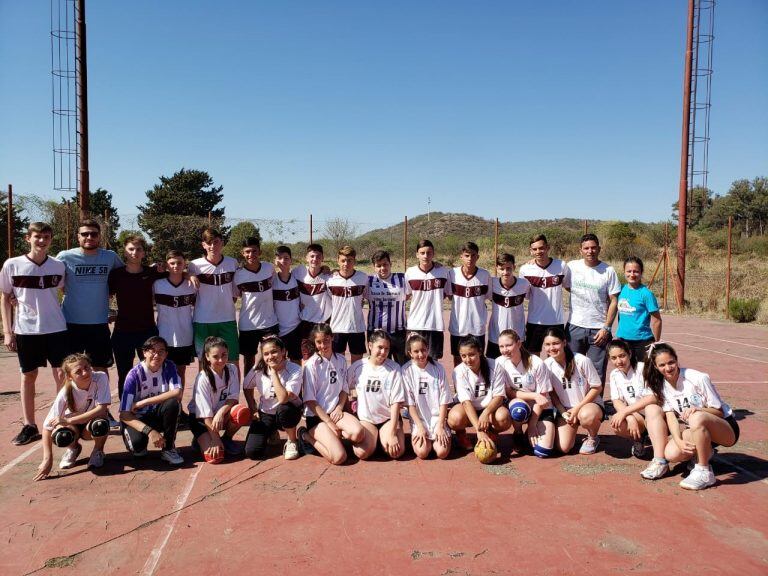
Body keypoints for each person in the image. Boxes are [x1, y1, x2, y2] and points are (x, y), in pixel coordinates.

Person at [1, 222, 67, 445]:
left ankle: (60, 419)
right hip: (26, 330)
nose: (42, 240)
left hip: (56, 328)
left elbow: (66, 291)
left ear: (50, 239)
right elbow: (5, 299)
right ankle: (29, 425)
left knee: (61, 376)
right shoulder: (12, 264)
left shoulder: (59, 266)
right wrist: (7, 332)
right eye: (37, 236)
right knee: (28, 376)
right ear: (28, 238)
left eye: (46, 237)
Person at [644, 342, 739, 490]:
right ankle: (704, 452)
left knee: (696, 417)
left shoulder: (698, 378)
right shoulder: (662, 385)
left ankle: (704, 471)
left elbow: (719, 411)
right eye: (662, 365)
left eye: (671, 362)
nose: (668, 368)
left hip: (725, 428)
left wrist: (698, 409)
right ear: (656, 367)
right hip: (697, 429)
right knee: (671, 454)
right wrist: (678, 440)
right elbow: (670, 417)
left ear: (677, 360)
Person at [57, 220, 123, 372]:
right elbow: (48, 277)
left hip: (99, 323)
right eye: (84, 234)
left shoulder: (110, 256)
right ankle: (71, 397)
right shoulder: (65, 256)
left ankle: (102, 397)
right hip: (71, 322)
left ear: (99, 236)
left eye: (93, 234)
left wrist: (153, 272)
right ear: (78, 236)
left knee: (100, 368)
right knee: (70, 369)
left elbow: (127, 276)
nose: (89, 237)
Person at [33, 353, 111, 480]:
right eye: (78, 371)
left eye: (86, 367)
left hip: (89, 426)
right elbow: (47, 427)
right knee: (61, 436)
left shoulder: (100, 378)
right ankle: (73, 448)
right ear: (69, 377)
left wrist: (69, 419)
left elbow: (101, 408)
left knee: (101, 424)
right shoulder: (65, 393)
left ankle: (98, 451)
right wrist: (47, 459)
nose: (85, 373)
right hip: (72, 428)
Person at [297, 323, 366, 465]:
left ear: (332, 338)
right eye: (319, 342)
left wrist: (339, 408)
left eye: (326, 340)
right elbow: (310, 401)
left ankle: (335, 437)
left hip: (335, 412)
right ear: (315, 343)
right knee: (339, 457)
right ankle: (305, 436)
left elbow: (344, 389)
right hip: (317, 417)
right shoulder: (311, 365)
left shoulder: (340, 360)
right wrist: (328, 422)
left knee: (359, 434)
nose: (323, 345)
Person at [108, 235, 165, 398]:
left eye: (138, 249)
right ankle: (125, 413)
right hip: (122, 332)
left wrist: (189, 275)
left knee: (151, 371)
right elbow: (103, 294)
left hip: (147, 331)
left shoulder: (152, 272)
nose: (135, 252)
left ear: (144, 253)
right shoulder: (116, 275)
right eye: (131, 249)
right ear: (125, 252)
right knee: (125, 374)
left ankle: (151, 410)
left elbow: (176, 272)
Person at [606, 339, 668, 480]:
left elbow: (653, 397)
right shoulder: (615, 374)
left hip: (658, 415)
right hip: (637, 415)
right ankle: (640, 438)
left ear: (630, 353)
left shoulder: (642, 368)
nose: (619, 361)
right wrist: (629, 416)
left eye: (622, 356)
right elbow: (616, 401)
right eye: (613, 358)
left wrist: (626, 411)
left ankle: (660, 460)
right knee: (618, 424)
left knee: (652, 409)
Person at [119, 336, 184, 466]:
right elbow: (124, 414)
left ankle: (169, 448)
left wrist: (143, 402)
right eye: (152, 351)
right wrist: (150, 431)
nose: (156, 355)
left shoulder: (169, 366)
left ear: (166, 354)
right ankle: (141, 443)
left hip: (157, 414)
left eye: (161, 351)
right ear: (144, 352)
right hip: (138, 418)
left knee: (173, 403)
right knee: (137, 448)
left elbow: (177, 392)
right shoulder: (134, 375)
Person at [565, 234, 621, 383]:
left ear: (599, 249)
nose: (590, 251)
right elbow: (563, 283)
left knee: (596, 372)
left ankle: (596, 404)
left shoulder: (608, 270)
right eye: (586, 248)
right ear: (580, 250)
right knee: (572, 368)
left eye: (593, 247)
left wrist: (607, 328)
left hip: (599, 330)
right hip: (574, 327)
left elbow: (614, 300)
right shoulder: (571, 266)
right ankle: (574, 403)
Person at [542, 327, 604, 455]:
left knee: (586, 416)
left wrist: (577, 409)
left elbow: (597, 387)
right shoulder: (546, 365)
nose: (551, 348)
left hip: (588, 406)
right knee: (563, 448)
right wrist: (563, 412)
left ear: (564, 343)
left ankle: (593, 437)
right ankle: (570, 430)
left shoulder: (582, 360)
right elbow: (552, 392)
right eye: (547, 344)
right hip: (566, 410)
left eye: (555, 343)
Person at [496, 329, 557, 457]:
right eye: (501, 346)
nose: (504, 349)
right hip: (520, 404)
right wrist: (534, 395)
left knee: (543, 452)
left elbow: (543, 397)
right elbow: (510, 393)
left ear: (519, 344)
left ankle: (540, 427)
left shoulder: (536, 362)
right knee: (519, 410)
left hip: (541, 408)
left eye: (508, 345)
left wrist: (532, 425)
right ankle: (518, 432)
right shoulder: (500, 362)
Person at [448, 336, 511, 458]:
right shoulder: (458, 371)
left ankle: (492, 432)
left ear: (480, 352)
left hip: (490, 408)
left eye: (471, 355)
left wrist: (486, 413)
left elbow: (499, 396)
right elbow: (466, 402)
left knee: (504, 418)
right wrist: (479, 430)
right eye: (463, 356)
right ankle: (461, 433)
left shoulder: (495, 365)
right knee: (454, 419)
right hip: (468, 409)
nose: (467, 360)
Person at [347, 330, 406, 460]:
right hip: (367, 420)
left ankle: (384, 437)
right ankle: (375, 439)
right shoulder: (358, 367)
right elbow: (344, 389)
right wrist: (349, 412)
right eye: (380, 347)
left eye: (386, 349)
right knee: (361, 453)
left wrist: (392, 433)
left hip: (387, 419)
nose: (383, 352)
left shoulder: (394, 368)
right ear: (370, 345)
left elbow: (396, 403)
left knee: (396, 452)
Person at [242, 335, 302, 461]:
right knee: (252, 452)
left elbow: (283, 399)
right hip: (266, 413)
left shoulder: (295, 369)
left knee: (284, 408)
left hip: (288, 411)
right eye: (266, 354)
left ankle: (292, 441)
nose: (270, 357)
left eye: (274, 351)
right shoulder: (258, 369)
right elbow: (246, 386)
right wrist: (252, 408)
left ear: (283, 351)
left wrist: (273, 372)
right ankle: (271, 432)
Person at [188, 337, 243, 462]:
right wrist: (215, 438)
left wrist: (220, 413)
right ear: (207, 357)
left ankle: (227, 439)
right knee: (215, 458)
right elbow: (205, 415)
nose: (220, 360)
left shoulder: (232, 369)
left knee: (241, 412)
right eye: (215, 356)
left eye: (224, 355)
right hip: (202, 420)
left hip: (220, 415)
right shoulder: (203, 378)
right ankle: (200, 437)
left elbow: (233, 398)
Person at [188, 228, 239, 360]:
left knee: (232, 360)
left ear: (222, 243)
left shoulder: (232, 263)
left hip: (227, 318)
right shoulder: (194, 265)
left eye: (216, 242)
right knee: (204, 361)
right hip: (203, 320)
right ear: (203, 245)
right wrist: (188, 275)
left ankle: (232, 382)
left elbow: (235, 292)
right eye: (209, 243)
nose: (212, 246)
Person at [402, 333, 452, 459]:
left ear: (428, 349)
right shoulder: (406, 371)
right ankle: (425, 439)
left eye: (423, 350)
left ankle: (448, 434)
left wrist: (440, 425)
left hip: (437, 419)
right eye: (416, 351)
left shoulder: (438, 368)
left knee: (442, 453)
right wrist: (419, 426)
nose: (421, 354)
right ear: (410, 353)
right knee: (422, 453)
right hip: (420, 419)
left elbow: (444, 399)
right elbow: (410, 404)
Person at [519, 234, 570, 355]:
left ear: (547, 247)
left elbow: (568, 286)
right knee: (532, 358)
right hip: (534, 321)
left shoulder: (561, 266)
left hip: (556, 321)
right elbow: (525, 295)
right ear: (531, 251)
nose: (538, 251)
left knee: (555, 358)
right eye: (535, 249)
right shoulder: (525, 269)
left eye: (541, 248)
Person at [234, 236, 279, 375]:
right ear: (243, 253)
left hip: (269, 323)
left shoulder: (269, 268)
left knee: (273, 358)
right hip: (248, 324)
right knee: (248, 361)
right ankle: (249, 394)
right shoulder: (238, 275)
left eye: (254, 251)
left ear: (259, 252)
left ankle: (273, 392)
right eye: (247, 252)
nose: (251, 255)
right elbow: (235, 297)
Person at [153, 250, 197, 386]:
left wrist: (189, 275)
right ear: (166, 265)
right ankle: (164, 405)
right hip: (163, 334)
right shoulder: (157, 284)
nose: (176, 266)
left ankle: (177, 404)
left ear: (185, 264)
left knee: (180, 371)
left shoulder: (191, 285)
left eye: (179, 263)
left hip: (184, 335)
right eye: (172, 263)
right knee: (161, 371)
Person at [404, 239, 451, 360]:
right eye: (422, 253)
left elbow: (448, 294)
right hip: (415, 324)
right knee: (413, 361)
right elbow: (406, 295)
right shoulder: (410, 272)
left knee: (432, 361)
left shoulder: (443, 272)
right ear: (417, 254)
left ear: (433, 254)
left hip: (435, 325)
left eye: (429, 253)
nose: (425, 256)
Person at [447, 242, 490, 367]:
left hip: (477, 326)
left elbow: (487, 297)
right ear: (461, 256)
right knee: (458, 358)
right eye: (467, 255)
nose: (470, 259)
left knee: (478, 358)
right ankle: (459, 386)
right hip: (458, 326)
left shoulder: (485, 275)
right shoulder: (452, 274)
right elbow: (449, 295)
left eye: (473, 255)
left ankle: (479, 384)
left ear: (478, 257)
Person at [326, 245, 368, 363]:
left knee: (357, 365)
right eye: (343, 260)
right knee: (337, 363)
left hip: (357, 327)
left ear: (354, 261)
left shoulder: (363, 278)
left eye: (349, 260)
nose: (346, 263)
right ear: (338, 261)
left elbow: (366, 296)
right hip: (337, 327)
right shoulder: (330, 280)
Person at [616, 256, 662, 362]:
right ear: (624, 272)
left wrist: (655, 342)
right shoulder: (620, 290)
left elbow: (657, 320)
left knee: (644, 373)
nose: (632, 275)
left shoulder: (646, 294)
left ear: (641, 273)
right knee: (626, 371)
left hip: (643, 341)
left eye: (636, 271)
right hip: (623, 341)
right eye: (629, 271)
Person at [367, 250, 408, 364]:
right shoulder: (368, 281)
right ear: (374, 267)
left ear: (391, 264)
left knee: (404, 367)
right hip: (376, 332)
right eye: (378, 266)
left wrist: (435, 265)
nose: (382, 268)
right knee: (381, 366)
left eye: (385, 264)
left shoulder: (403, 279)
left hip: (399, 332)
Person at [486, 253, 530, 360]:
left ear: (514, 267)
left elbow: (531, 297)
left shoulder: (524, 284)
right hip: (496, 335)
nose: (505, 272)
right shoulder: (492, 283)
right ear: (497, 268)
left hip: (517, 334)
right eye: (502, 268)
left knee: (518, 366)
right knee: (493, 366)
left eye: (509, 268)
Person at [293, 243, 332, 360]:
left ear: (323, 258)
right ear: (306, 258)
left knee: (323, 356)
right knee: (307, 358)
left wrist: (330, 269)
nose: (315, 259)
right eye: (312, 256)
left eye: (318, 256)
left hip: (323, 322)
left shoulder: (328, 276)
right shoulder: (298, 272)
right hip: (305, 322)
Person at [272, 245, 302, 363]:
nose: (283, 261)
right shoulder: (271, 279)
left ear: (291, 260)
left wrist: (327, 268)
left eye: (286, 258)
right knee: (279, 362)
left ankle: (297, 382)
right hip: (278, 328)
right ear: (275, 261)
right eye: (279, 258)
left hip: (295, 327)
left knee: (296, 361)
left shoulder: (297, 276)